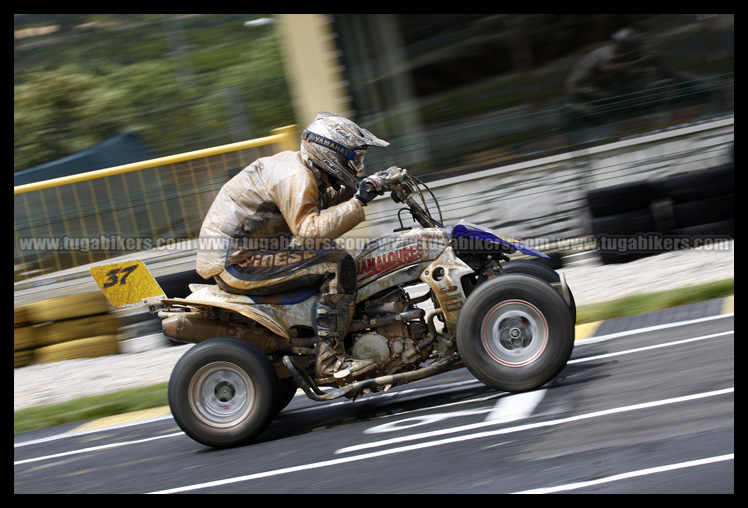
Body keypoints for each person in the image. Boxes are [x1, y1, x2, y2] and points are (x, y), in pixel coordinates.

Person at [196, 112, 390, 382]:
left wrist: (367, 186)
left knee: (335, 254)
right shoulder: (295, 177)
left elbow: (321, 199)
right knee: (337, 262)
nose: (356, 165)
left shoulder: (302, 168)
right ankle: (330, 360)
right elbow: (310, 233)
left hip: (248, 252)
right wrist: (359, 201)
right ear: (330, 153)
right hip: (238, 262)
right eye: (353, 159)